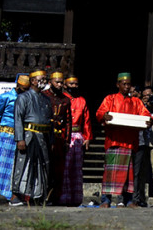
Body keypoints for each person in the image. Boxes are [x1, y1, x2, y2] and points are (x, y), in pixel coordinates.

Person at [96, 72, 152, 208]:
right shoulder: (110, 99)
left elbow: (146, 115)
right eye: (124, 84)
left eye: (129, 84)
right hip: (114, 141)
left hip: (130, 142)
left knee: (129, 175)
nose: (127, 87)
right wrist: (105, 116)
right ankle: (106, 200)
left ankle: (128, 200)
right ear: (118, 85)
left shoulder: (136, 102)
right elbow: (100, 112)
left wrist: (148, 121)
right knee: (110, 173)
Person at [10, 70, 52, 206]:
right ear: (33, 81)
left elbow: (50, 121)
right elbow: (18, 119)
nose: (44, 82)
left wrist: (51, 139)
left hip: (43, 136)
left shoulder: (46, 99)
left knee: (42, 166)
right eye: (42, 79)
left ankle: (38, 196)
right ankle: (16, 195)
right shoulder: (23, 98)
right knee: (23, 165)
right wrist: (19, 139)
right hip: (28, 135)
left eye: (45, 79)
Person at [0, 73, 29, 202]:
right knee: (3, 165)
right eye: (23, 88)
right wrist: (6, 126)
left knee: (17, 164)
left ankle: (16, 193)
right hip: (7, 134)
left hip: (21, 135)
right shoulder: (6, 97)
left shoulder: (26, 99)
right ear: (18, 86)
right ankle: (2, 193)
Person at [59, 74, 91, 207]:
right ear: (65, 85)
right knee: (64, 168)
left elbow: (87, 120)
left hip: (78, 136)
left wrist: (88, 137)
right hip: (64, 136)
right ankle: (62, 197)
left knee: (76, 168)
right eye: (71, 84)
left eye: (76, 84)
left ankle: (75, 198)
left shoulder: (82, 100)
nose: (74, 86)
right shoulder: (62, 99)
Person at [42, 71, 72, 204]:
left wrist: (67, 140)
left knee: (57, 169)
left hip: (59, 138)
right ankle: (40, 195)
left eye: (61, 82)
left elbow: (68, 121)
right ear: (50, 83)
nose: (60, 85)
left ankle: (55, 197)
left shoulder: (65, 99)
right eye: (57, 82)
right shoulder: (43, 96)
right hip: (45, 136)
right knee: (43, 167)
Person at [133, 85, 153, 207]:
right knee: (141, 172)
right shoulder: (139, 105)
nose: (147, 98)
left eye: (150, 95)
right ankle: (141, 198)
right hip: (142, 142)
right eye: (145, 96)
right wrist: (143, 105)